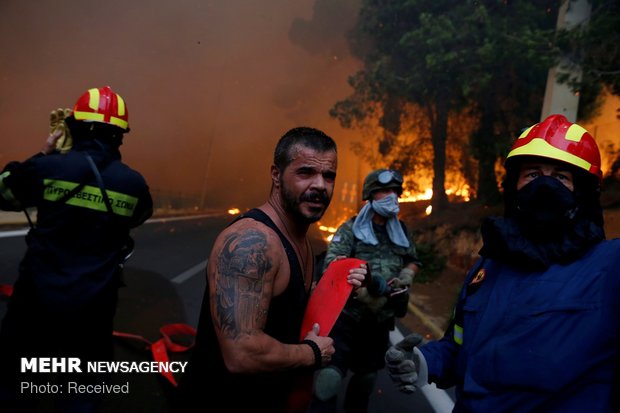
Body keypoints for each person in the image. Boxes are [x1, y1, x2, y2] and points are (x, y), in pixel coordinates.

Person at [385, 114, 620, 412]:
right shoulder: (487, 267)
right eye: (533, 174)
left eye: (561, 177)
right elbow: (461, 347)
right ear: (513, 187)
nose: (545, 186)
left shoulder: (609, 268)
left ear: (583, 194)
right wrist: (425, 362)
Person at [175, 127, 367, 412]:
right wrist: (312, 353)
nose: (320, 185)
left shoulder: (300, 241)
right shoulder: (253, 242)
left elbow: (284, 305)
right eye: (305, 172)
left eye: (329, 176)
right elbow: (242, 353)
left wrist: (337, 288)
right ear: (276, 175)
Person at [0, 86, 153, 412]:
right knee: (83, 389)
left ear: (76, 126)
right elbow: (139, 216)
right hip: (93, 305)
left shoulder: (49, 168)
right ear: (120, 135)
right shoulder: (134, 184)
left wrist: (45, 153)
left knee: (12, 378)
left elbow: (5, 192)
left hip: (36, 297)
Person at [309, 168, 422, 413]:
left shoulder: (401, 232)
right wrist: (360, 289)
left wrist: (407, 274)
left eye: (395, 191)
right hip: (347, 318)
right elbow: (333, 265)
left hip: (379, 322)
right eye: (384, 191)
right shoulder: (351, 229)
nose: (392, 196)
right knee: (329, 379)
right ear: (371, 195)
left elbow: (413, 259)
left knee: (366, 381)